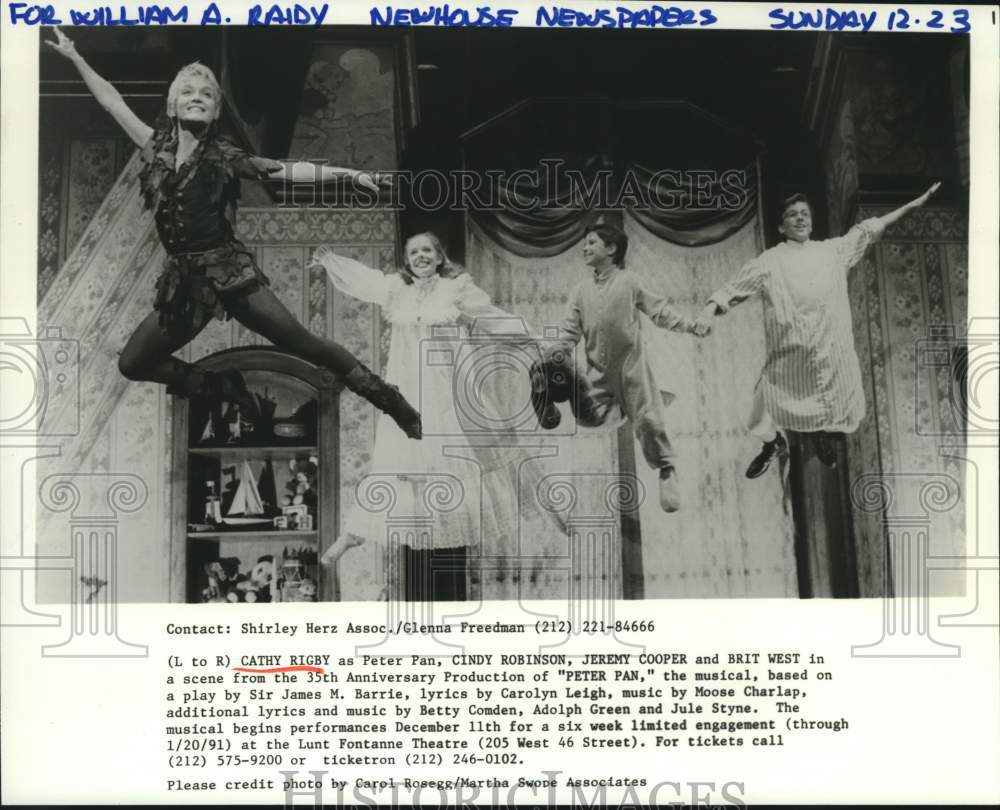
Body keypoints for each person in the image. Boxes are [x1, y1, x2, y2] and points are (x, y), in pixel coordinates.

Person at [45, 28, 421, 439]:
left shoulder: (223, 155)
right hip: (187, 285)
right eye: (187, 92)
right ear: (172, 105)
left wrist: (350, 174)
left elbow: (284, 169)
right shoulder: (155, 148)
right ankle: (223, 387)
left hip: (230, 273)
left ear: (215, 111)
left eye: (206, 95)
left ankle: (391, 400)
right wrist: (76, 56)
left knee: (304, 343)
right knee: (133, 363)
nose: (196, 97)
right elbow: (112, 101)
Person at [312, 233, 557, 593]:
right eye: (413, 252)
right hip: (410, 390)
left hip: (449, 390)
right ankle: (353, 535)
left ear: (440, 256)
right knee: (396, 462)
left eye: (427, 250)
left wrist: (535, 338)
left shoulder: (457, 289)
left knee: (486, 452)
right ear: (407, 260)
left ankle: (549, 508)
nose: (420, 256)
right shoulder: (397, 289)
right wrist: (330, 259)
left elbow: (493, 319)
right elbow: (366, 281)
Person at [694, 183, 941, 478]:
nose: (800, 219)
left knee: (841, 413)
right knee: (757, 417)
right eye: (792, 215)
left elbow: (870, 228)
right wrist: (708, 310)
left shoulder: (834, 251)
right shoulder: (770, 261)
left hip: (830, 354)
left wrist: (915, 203)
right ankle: (773, 445)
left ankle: (821, 435)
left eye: (805, 215)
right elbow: (733, 288)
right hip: (789, 360)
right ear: (781, 226)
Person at [534, 223, 706, 513]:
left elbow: (660, 313)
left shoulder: (629, 282)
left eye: (591, 242)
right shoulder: (580, 291)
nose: (585, 248)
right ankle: (546, 398)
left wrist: (691, 325)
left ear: (611, 249)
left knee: (650, 421)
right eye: (584, 243)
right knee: (586, 416)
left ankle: (666, 469)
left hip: (632, 369)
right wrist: (553, 354)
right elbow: (569, 333)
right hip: (597, 376)